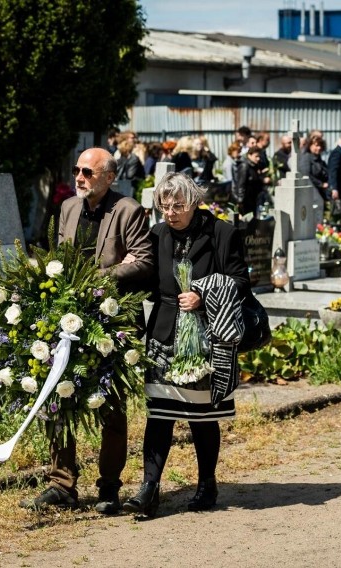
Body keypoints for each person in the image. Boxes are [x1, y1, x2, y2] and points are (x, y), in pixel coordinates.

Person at [20, 147, 154, 512]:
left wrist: (99, 278)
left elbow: (142, 261)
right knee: (59, 395)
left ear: (109, 177)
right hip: (68, 316)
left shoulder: (127, 210)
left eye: (88, 172)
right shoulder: (68, 208)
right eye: (77, 170)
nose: (79, 177)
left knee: (109, 403)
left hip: (112, 320)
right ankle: (61, 484)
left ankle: (109, 486)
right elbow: (59, 261)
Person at [123, 172, 250, 516]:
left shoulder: (222, 233)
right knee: (159, 415)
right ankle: (149, 489)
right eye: (165, 206)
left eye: (178, 205)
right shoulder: (158, 234)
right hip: (164, 335)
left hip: (206, 339)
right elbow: (149, 283)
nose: (171, 212)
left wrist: (203, 294)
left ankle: (207, 483)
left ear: (195, 202)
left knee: (201, 417)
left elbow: (240, 281)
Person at [233, 146, 265, 217]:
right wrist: (240, 201)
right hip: (245, 202)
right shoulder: (245, 166)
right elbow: (241, 184)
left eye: (259, 156)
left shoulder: (255, 166)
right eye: (256, 156)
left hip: (252, 200)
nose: (258, 159)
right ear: (249, 155)